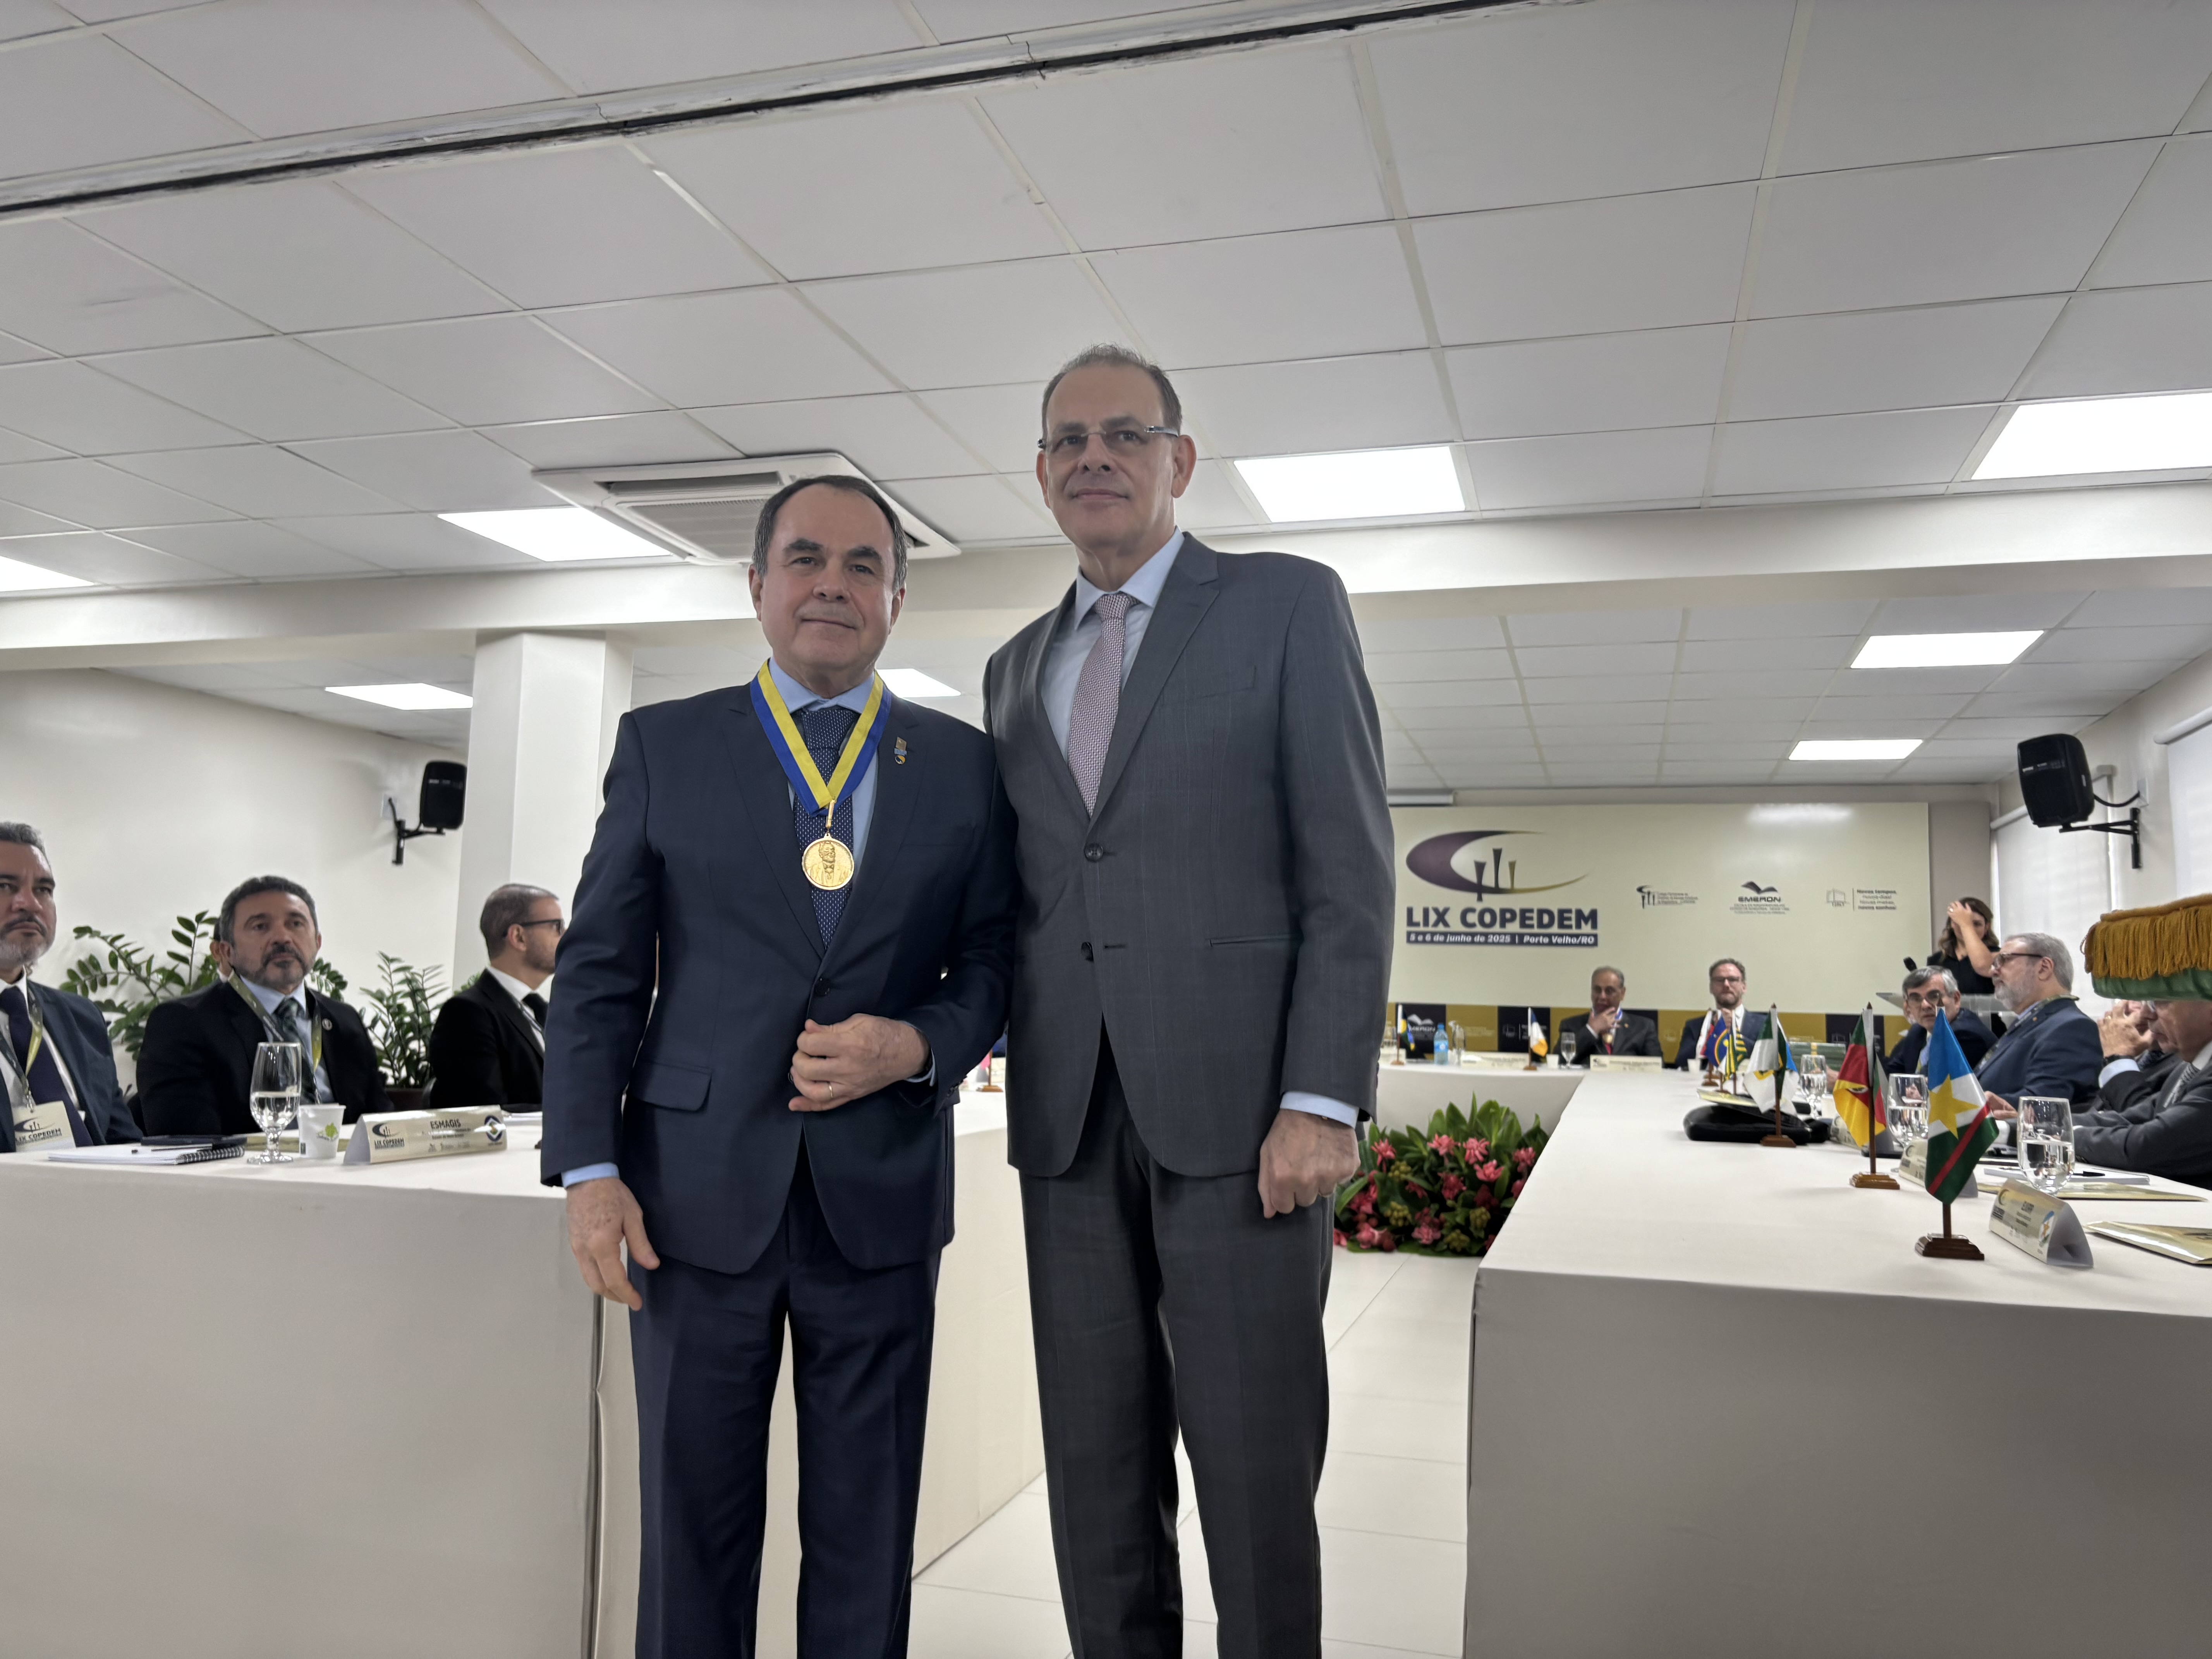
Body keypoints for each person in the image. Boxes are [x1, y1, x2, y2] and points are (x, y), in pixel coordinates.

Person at [544, 475, 1015, 1659]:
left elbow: (994, 962)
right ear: (757, 584)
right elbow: (597, 975)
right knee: (690, 1523)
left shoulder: (964, 765)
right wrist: (589, 1169)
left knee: (867, 1526)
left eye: (864, 565)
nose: (831, 586)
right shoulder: (665, 746)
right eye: (805, 558)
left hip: (881, 1197)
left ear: (897, 600)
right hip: (689, 1201)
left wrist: (918, 1043)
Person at [982, 344, 1393, 1658]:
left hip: (1246, 1122)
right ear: (1041, 474)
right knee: (1093, 1469)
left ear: (1180, 460)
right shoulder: (1012, 667)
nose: (1093, 457)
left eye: (1124, 433)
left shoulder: (1285, 605)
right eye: (1068, 441)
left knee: (1254, 1466)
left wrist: (1322, 1096)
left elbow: (1348, 870)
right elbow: (1035, 894)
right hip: (1068, 1123)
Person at [138, 876, 388, 1135]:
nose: (282, 937)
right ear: (227, 951)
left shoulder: (344, 1020)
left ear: (318, 942)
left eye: (296, 924)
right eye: (260, 926)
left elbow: (383, 1128)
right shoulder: (184, 1023)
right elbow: (190, 1143)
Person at [0, 822, 138, 1152]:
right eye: (5, 886)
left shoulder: (82, 1018)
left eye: (43, 890)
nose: (30, 904)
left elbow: (125, 1144)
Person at [429, 884, 561, 1110]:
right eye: (557, 927)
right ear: (519, 937)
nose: (566, 936)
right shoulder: (467, 1014)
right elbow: (486, 1113)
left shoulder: (545, 1011)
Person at [2055, 998, 2212, 1188]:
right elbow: (2132, 1119)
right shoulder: (2190, 1066)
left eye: (2161, 1001)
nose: (2147, 1013)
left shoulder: (2188, 1061)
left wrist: (2067, 1136)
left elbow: (2150, 1146)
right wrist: (2041, 1125)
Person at [1973, 931, 2102, 1110]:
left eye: (2004, 960)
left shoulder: (2072, 1028)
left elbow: (2044, 1103)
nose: (1994, 970)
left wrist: (1975, 1107)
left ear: (2044, 968)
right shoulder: (2031, 1021)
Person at [1885, 965, 1994, 1074]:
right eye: (1916, 998)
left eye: (1934, 996)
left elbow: (1931, 1081)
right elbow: (1892, 1073)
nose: (1925, 1006)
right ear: (1907, 1006)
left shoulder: (1965, 1036)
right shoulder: (1919, 1031)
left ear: (1956, 999)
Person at [1671, 959, 1768, 1070]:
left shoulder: (1766, 1024)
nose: (1726, 984)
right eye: (1720, 980)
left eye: (1733, 980)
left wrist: (1733, 1034)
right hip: (1705, 1079)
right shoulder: (1695, 1026)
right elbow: (1682, 1064)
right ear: (1711, 988)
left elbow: (1770, 1060)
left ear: (1744, 987)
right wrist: (1713, 1033)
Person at [1557, 966, 1659, 1063]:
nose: (1602, 996)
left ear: (1622, 993)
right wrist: (1591, 1030)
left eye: (1609, 991)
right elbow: (1558, 1062)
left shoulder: (1644, 1028)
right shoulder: (1571, 1026)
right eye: (1597, 990)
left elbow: (1658, 1067)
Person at [2093, 999, 2178, 1113]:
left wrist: (2119, 1056)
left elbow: (2143, 1118)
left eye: (2152, 1000)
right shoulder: (2145, 1055)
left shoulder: (2190, 1063)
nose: (2129, 1008)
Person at [1930, 897, 1999, 996]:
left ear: (1987, 927)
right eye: (1961, 923)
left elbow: (1984, 966)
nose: (1970, 930)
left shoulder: (1999, 956)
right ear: (1952, 924)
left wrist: (1966, 925)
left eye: (1977, 924)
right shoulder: (1936, 960)